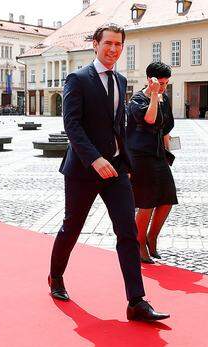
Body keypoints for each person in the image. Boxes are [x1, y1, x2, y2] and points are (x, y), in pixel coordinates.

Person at [48, 24, 169, 322]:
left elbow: (119, 126)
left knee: (127, 231)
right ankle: (56, 276)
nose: (113, 49)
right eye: (108, 43)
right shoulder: (77, 79)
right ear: (96, 45)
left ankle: (136, 301)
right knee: (72, 226)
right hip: (83, 170)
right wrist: (94, 159)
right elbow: (72, 125)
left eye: (118, 44)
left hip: (115, 170)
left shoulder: (121, 79)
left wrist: (123, 163)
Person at [126, 62, 178, 265]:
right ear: (150, 79)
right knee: (146, 202)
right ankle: (138, 243)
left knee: (167, 199)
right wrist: (155, 95)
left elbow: (165, 127)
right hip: (140, 156)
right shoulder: (137, 100)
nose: (164, 87)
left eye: (166, 83)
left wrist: (169, 152)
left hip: (158, 154)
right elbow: (150, 119)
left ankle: (152, 236)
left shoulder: (164, 98)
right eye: (161, 83)